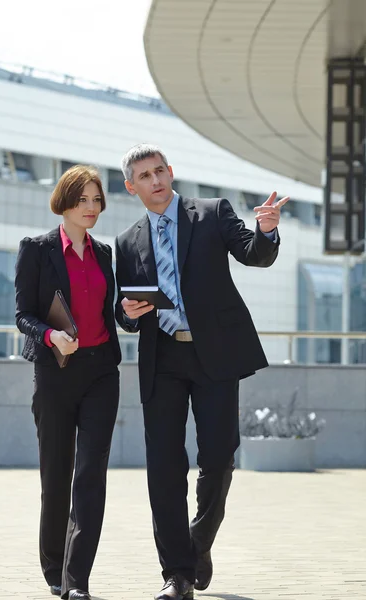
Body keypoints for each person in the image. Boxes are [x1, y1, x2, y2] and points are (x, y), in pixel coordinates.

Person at [115, 144, 289, 600]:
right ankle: (177, 574)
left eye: (159, 171)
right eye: (144, 176)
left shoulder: (211, 213)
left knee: (217, 458)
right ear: (131, 186)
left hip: (214, 355)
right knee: (164, 469)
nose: (155, 180)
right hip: (163, 358)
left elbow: (254, 254)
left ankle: (198, 543)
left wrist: (266, 231)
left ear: (170, 172)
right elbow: (124, 305)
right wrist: (128, 311)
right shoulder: (127, 240)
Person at [15, 165, 121, 600]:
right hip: (55, 371)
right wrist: (49, 334)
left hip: (100, 372)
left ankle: (77, 581)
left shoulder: (104, 254)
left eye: (97, 200)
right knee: (56, 476)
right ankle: (53, 567)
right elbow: (22, 314)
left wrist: (131, 313)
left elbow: (110, 314)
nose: (91, 208)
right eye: (84, 199)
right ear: (66, 201)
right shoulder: (37, 249)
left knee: (90, 475)